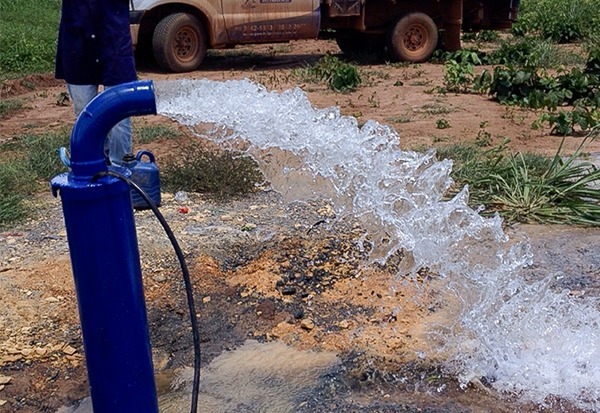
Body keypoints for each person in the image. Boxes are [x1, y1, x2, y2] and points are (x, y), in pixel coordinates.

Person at [55, 0, 137, 165]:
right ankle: (96, 164)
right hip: (78, 44)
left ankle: (121, 173)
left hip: (114, 43)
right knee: (86, 114)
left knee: (119, 114)